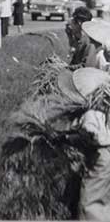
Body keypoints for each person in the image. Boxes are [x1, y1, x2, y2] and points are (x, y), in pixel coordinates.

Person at [58, 67, 110, 220]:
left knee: (90, 202)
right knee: (102, 199)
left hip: (102, 159)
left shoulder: (90, 115)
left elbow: (90, 133)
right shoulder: (101, 112)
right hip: (104, 156)